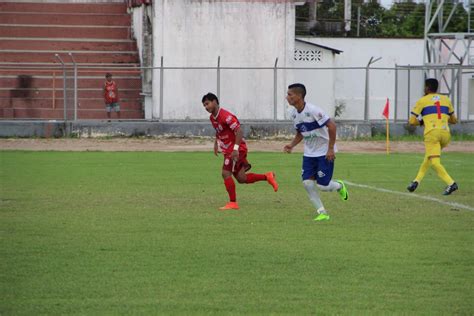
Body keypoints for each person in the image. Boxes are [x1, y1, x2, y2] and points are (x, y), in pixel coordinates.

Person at [202, 92, 278, 210]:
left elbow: (239, 131)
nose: (206, 107)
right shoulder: (212, 118)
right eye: (204, 106)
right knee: (242, 178)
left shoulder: (226, 116)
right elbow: (219, 131)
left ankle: (233, 203)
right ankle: (267, 176)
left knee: (225, 173)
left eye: (207, 104)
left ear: (215, 102)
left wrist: (236, 149)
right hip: (229, 150)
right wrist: (216, 143)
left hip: (236, 150)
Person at [283, 83, 348, 222]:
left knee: (323, 186)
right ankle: (322, 212)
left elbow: (332, 126)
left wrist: (330, 148)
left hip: (324, 152)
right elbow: (301, 132)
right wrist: (292, 145)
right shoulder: (293, 114)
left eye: (290, 94)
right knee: (307, 183)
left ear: (299, 96)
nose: (287, 97)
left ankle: (339, 185)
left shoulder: (313, 110)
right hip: (309, 154)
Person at [407, 78, 458, 195]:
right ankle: (416, 181)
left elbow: (411, 121)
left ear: (427, 88)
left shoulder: (422, 100)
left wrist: (422, 122)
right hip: (445, 134)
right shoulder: (446, 99)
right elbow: (454, 120)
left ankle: (451, 183)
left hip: (432, 134)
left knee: (435, 162)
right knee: (429, 157)